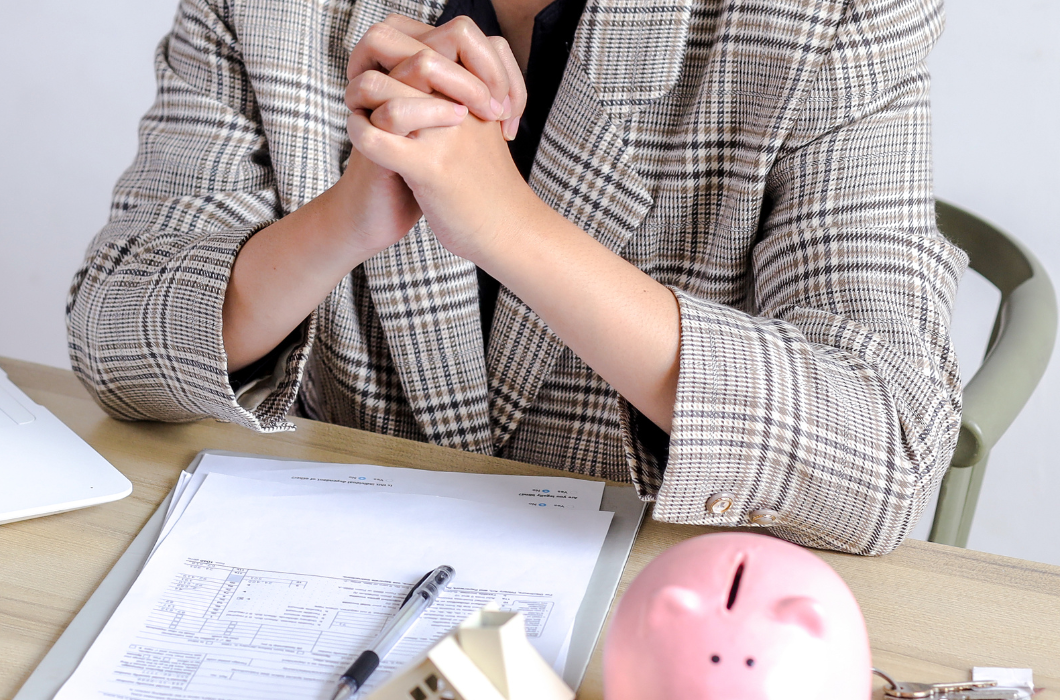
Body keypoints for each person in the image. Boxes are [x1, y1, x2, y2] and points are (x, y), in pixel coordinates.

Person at [66, 0, 966, 556]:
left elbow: (882, 448)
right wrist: (345, 218)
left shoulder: (834, 10)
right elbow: (112, 333)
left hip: (657, 617)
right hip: (341, 570)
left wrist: (513, 231)